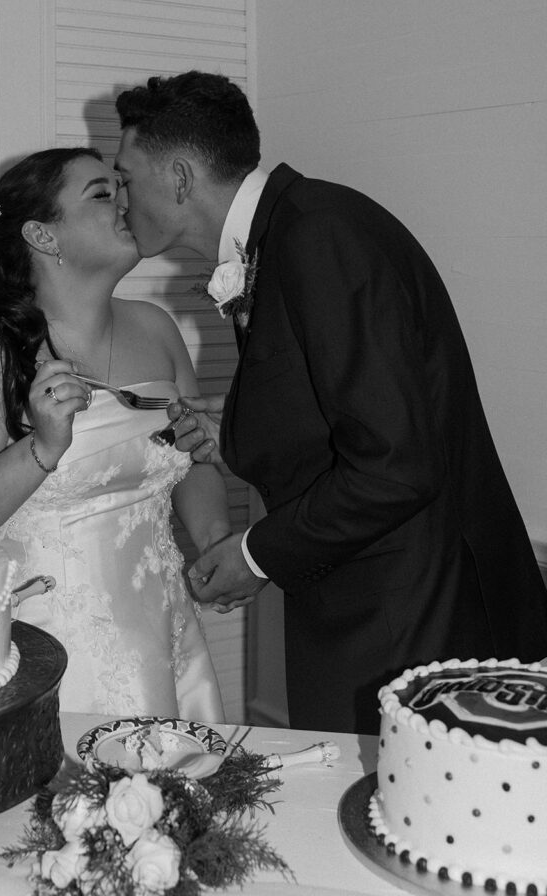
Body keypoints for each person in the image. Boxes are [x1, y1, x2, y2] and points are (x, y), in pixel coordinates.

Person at [114, 70, 547, 734]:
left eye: (125, 176)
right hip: (375, 603)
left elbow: (394, 466)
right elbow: (351, 407)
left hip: (413, 618)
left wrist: (257, 553)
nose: (121, 198)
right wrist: (237, 430)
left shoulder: (320, 236)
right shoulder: (293, 231)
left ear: (178, 178)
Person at [0, 146, 228, 722]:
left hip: (164, 626)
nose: (125, 201)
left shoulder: (155, 327)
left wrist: (218, 539)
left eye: (120, 186)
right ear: (43, 236)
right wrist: (41, 448)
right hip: (55, 643)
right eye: (101, 193)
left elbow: (194, 456)